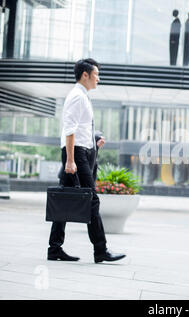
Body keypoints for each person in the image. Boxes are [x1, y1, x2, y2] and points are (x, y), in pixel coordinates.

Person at [47, 58, 126, 263]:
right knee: (92, 200)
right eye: (96, 75)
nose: (98, 79)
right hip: (76, 155)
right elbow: (69, 129)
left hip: (82, 152)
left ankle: (54, 248)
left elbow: (80, 130)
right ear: (85, 75)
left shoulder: (82, 96)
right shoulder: (77, 96)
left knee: (65, 200)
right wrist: (71, 160)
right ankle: (101, 250)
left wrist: (93, 144)